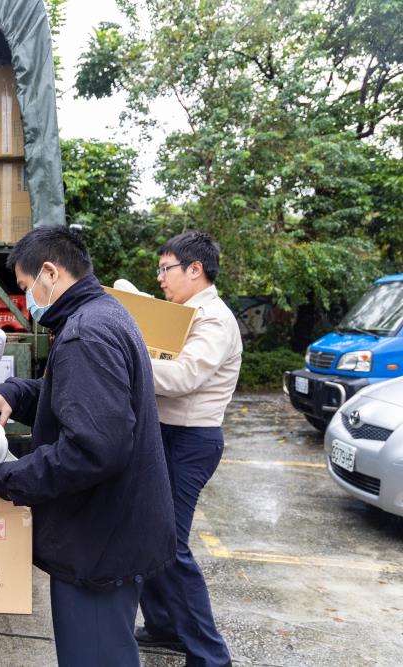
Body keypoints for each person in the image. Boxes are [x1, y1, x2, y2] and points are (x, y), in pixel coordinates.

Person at [0, 225, 176, 667]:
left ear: (50, 273)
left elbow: (94, 447)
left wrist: (6, 479)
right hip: (117, 530)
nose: (27, 300)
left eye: (24, 287)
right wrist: (16, 393)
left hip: (99, 544)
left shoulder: (84, 335)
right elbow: (85, 401)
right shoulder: (105, 313)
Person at [134, 231, 241, 667]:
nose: (161, 278)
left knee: (170, 544)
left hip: (190, 440)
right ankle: (165, 625)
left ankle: (211, 655)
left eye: (166, 269)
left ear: (195, 269)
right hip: (167, 434)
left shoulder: (213, 319)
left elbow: (184, 378)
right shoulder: (183, 313)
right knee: (151, 532)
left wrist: (131, 358)